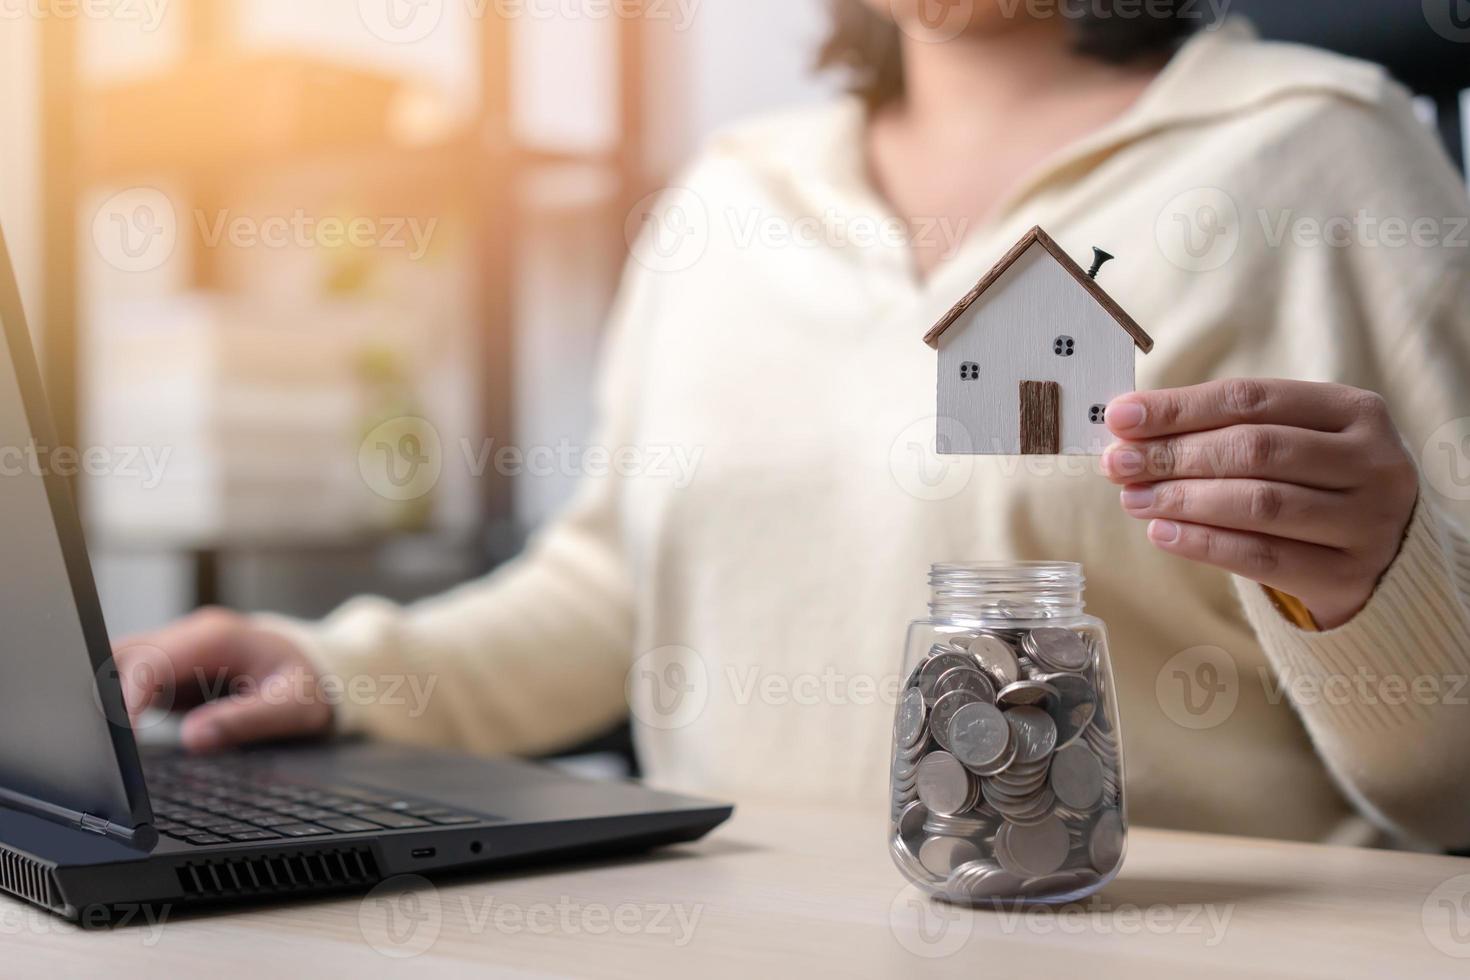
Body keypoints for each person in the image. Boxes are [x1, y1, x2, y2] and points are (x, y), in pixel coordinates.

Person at [116, 1, 1470, 849]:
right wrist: (343, 670)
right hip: (741, 935)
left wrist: (1376, 582)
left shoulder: (1325, 149)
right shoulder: (729, 193)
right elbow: (620, 595)